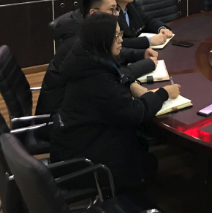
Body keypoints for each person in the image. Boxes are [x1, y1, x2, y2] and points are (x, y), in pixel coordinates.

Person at [51, 13, 181, 192]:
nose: (121, 40)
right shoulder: (97, 79)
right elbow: (134, 113)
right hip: (85, 161)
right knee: (147, 162)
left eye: (120, 34)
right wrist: (162, 94)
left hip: (74, 142)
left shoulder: (86, 57)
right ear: (102, 40)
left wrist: (130, 85)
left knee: (142, 148)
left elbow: (117, 80)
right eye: (116, 37)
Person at [36, 0, 159, 116]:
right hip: (61, 116)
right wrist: (145, 66)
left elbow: (107, 56)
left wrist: (141, 54)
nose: (117, 14)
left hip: (77, 107)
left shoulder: (90, 31)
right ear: (94, 13)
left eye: (116, 9)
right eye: (112, 10)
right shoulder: (80, 40)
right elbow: (107, 74)